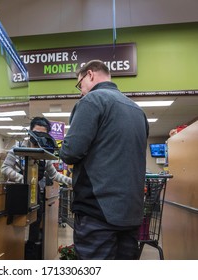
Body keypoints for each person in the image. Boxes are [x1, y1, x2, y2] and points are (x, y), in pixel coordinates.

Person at [59, 60, 149, 260]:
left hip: (98, 213)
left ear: (90, 74)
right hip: (131, 212)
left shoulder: (91, 101)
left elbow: (70, 153)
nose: (80, 91)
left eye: (79, 84)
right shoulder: (138, 111)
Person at [1, 116, 72, 259]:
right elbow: (5, 168)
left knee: (33, 236)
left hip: (35, 199)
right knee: (16, 236)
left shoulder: (44, 154)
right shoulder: (18, 148)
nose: (38, 137)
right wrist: (23, 179)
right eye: (36, 132)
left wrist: (72, 181)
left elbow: (54, 175)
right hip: (18, 198)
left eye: (42, 134)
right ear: (30, 132)